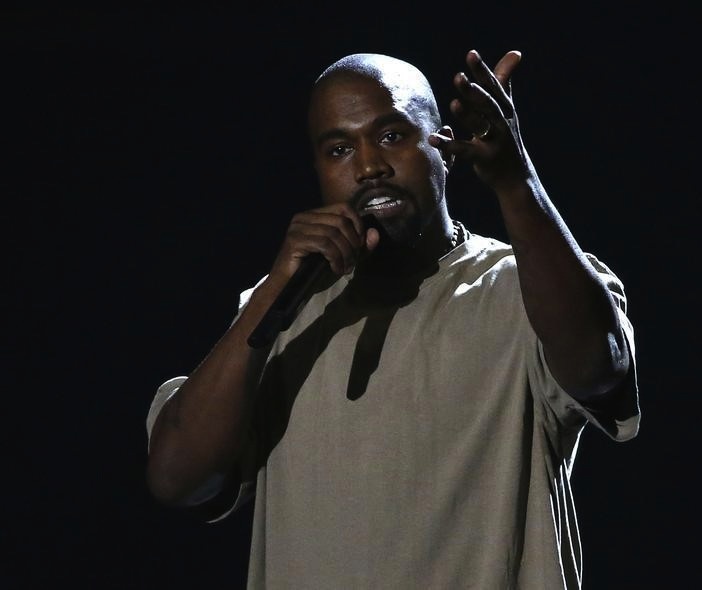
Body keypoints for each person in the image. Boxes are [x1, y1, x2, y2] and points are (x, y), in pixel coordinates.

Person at [145, 48, 640, 589]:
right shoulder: (281, 313)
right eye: (339, 149)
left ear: (444, 148)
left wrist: (514, 180)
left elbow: (599, 367)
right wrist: (272, 295)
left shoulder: (522, 286)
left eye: (391, 136)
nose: (368, 167)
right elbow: (176, 477)